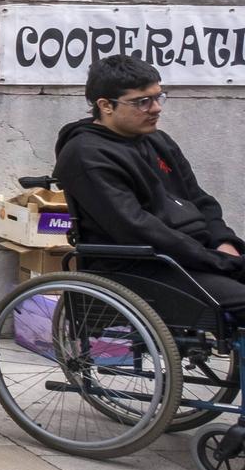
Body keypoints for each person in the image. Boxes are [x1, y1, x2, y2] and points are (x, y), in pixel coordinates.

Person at [55, 55, 245, 312]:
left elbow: (200, 200)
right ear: (106, 105)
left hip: (191, 255)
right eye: (142, 102)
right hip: (141, 264)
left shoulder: (157, 140)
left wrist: (224, 242)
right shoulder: (85, 154)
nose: (156, 108)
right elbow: (136, 228)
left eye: (158, 97)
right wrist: (217, 261)